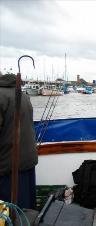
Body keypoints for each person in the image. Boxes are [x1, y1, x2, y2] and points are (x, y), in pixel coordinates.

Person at [0, 73, 38, 209]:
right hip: (27, 161)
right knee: (26, 209)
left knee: (8, 211)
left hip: (7, 166)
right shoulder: (24, 96)